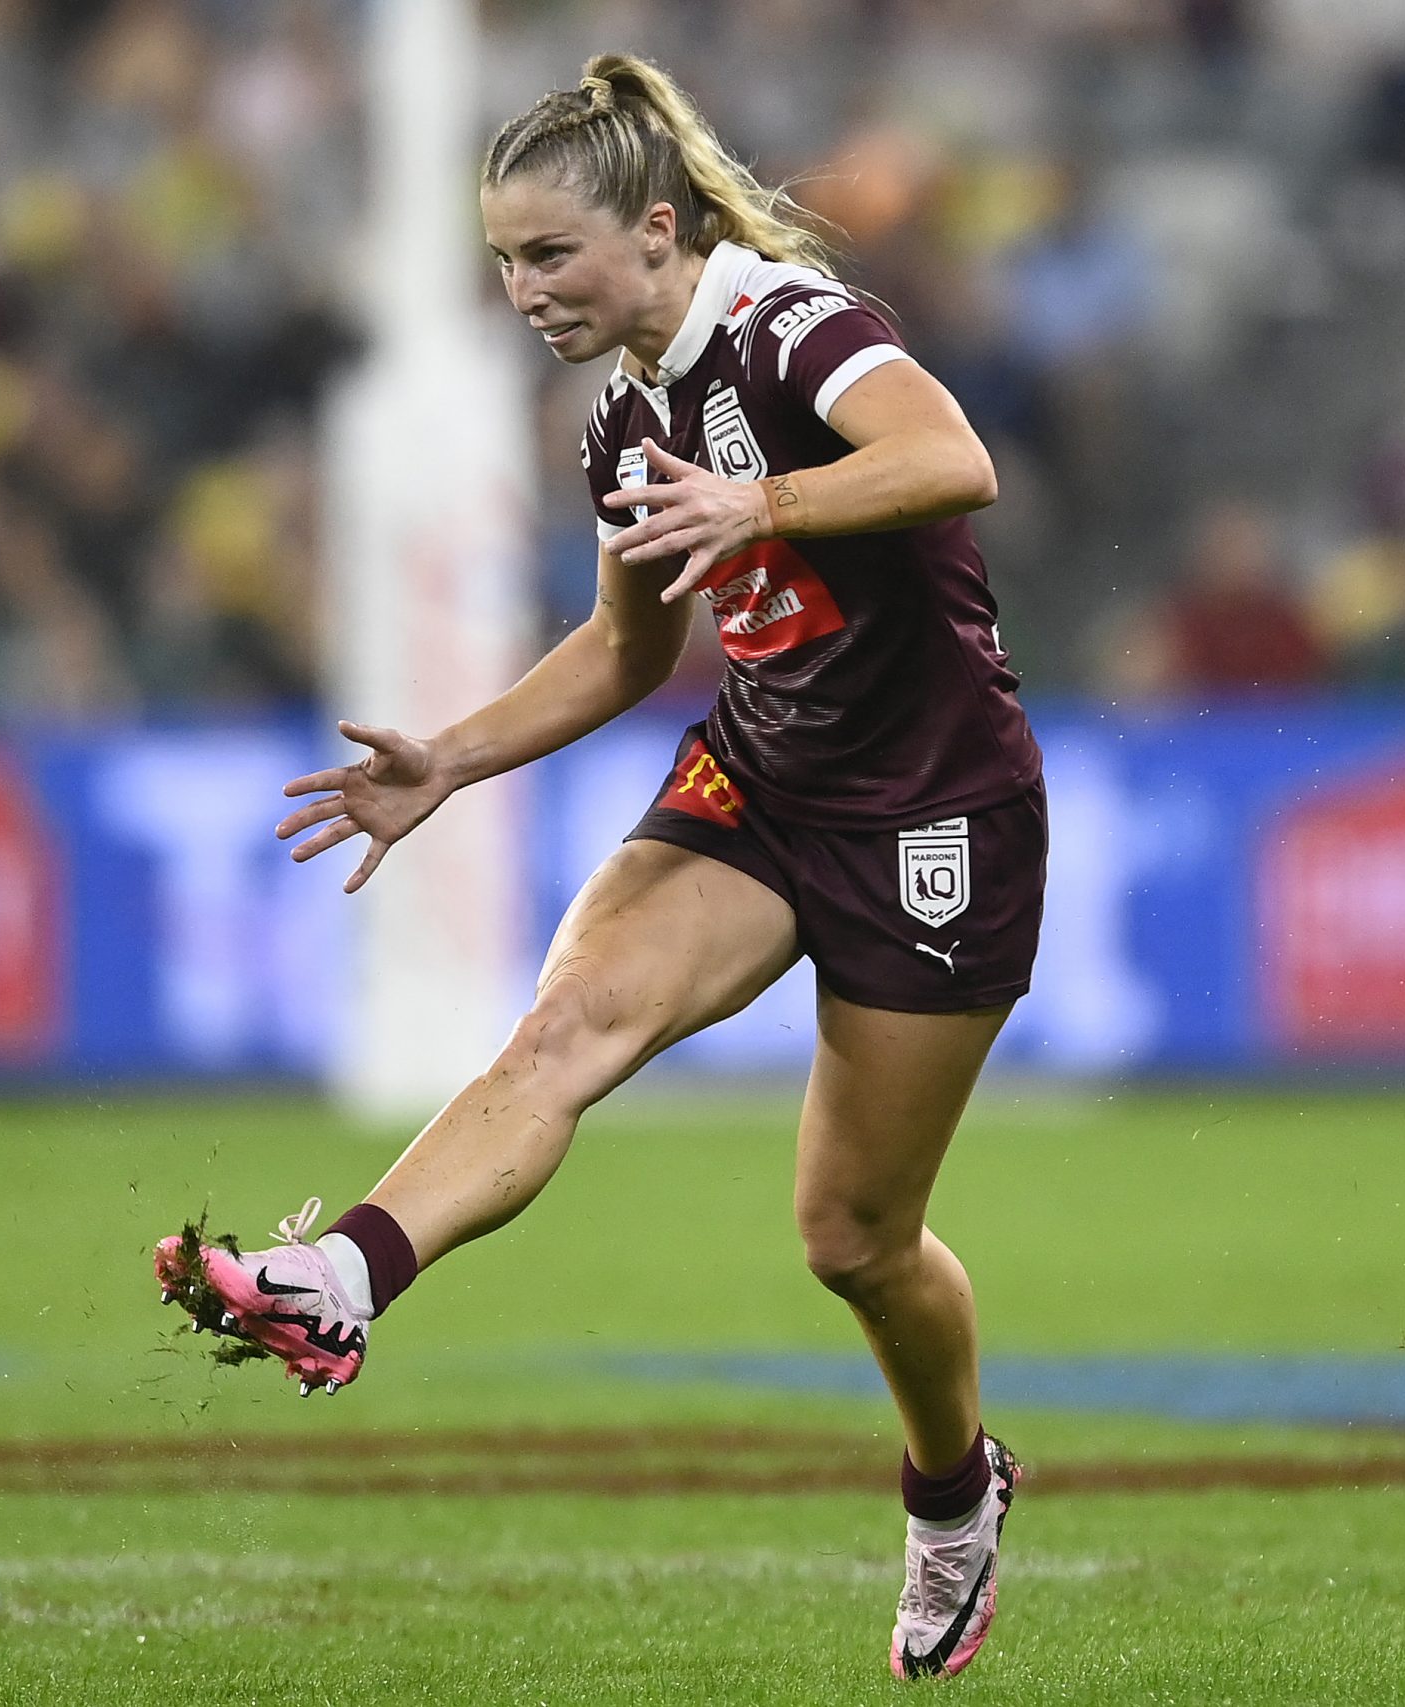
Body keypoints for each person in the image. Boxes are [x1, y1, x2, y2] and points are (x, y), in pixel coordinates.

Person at [152, 53, 1045, 1683]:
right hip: (765, 781)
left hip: (935, 813)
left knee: (852, 1238)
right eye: (502, 261)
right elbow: (628, 652)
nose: (522, 291)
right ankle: (344, 1274)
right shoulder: (626, 418)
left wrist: (764, 496)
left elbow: (955, 457)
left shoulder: (791, 327)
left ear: (654, 230)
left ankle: (952, 1490)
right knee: (561, 1032)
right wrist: (449, 761)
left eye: (550, 255)